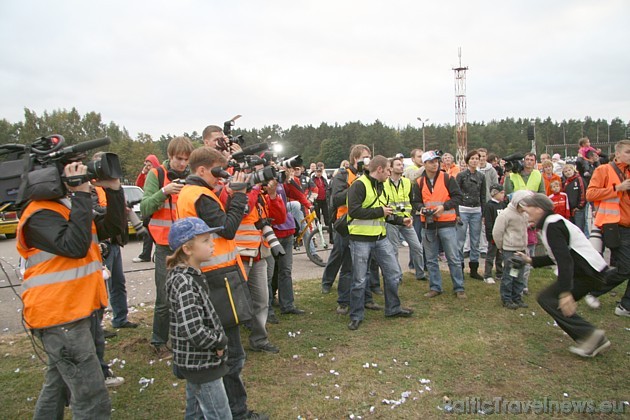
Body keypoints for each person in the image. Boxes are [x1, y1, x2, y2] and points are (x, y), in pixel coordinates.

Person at [17, 160, 126, 418]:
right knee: (91, 397)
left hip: (80, 311)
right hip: (60, 317)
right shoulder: (39, 213)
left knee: (58, 384)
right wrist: (80, 194)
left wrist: (113, 190)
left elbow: (113, 228)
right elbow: (75, 247)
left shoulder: (66, 207)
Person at [176, 147, 268, 420]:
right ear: (202, 170)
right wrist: (238, 196)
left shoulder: (193, 193)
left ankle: (200, 414)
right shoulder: (201, 195)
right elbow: (226, 229)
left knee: (219, 358)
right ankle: (237, 412)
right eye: (217, 171)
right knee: (231, 357)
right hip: (218, 279)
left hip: (215, 275)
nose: (221, 177)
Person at [518, 194, 612, 357]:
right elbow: (557, 255)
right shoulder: (552, 223)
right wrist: (531, 260)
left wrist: (566, 292)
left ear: (539, 209)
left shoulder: (552, 225)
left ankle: (592, 337)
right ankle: (591, 339)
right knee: (553, 302)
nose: (526, 213)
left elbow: (565, 260)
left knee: (549, 299)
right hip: (589, 271)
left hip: (587, 272)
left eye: (528, 209)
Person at [165, 218, 232, 420]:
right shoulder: (184, 282)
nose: (212, 243)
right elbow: (194, 329)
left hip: (195, 362)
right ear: (187, 249)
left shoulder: (191, 275)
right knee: (219, 415)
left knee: (195, 412)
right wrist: (219, 341)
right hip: (201, 363)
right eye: (205, 240)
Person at [140, 136, 194, 358]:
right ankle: (158, 341)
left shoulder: (191, 177)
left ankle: (183, 336)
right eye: (178, 159)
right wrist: (164, 192)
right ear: (169, 156)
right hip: (163, 245)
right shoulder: (156, 175)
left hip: (186, 245)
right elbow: (144, 207)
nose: (182, 164)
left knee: (188, 294)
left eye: (186, 160)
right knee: (164, 296)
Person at [346, 155, 414, 330]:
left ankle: (393, 308)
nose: (390, 173)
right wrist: (379, 212)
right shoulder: (359, 185)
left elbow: (386, 212)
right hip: (360, 239)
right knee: (359, 280)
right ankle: (356, 315)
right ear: (380, 169)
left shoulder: (382, 186)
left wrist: (401, 220)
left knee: (393, 274)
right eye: (388, 170)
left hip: (380, 237)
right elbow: (354, 211)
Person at [322, 144, 381, 314]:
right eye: (365, 157)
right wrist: (357, 186)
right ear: (356, 159)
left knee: (367, 264)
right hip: (346, 223)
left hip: (365, 224)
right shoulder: (342, 175)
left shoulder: (370, 176)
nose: (367, 160)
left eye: (369, 157)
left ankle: (367, 299)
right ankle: (343, 300)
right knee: (346, 263)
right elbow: (336, 199)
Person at [583, 139, 630, 317]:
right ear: (617, 153)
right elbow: (590, 194)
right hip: (615, 226)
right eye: (627, 152)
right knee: (625, 268)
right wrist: (617, 187)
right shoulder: (604, 170)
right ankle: (593, 289)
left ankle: (626, 306)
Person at [413, 150, 466, 299]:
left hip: (447, 223)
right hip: (428, 224)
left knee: (453, 258)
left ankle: (459, 287)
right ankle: (435, 287)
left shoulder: (448, 178)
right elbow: (415, 202)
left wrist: (444, 207)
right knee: (430, 259)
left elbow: (458, 197)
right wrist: (422, 209)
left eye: (436, 161)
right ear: (424, 164)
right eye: (431, 162)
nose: (435, 164)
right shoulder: (419, 182)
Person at [263, 180, 303, 325]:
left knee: (285, 270)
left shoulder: (284, 183)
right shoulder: (260, 188)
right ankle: (267, 310)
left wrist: (290, 179)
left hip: (287, 231)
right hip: (272, 233)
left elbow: (299, 193)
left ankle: (287, 305)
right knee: (267, 274)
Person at [384, 156, 426, 280]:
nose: (401, 166)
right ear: (390, 168)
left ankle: (420, 273)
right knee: (394, 249)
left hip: (406, 220)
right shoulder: (384, 183)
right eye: (398, 165)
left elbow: (411, 201)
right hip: (391, 221)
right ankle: (397, 275)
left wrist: (411, 216)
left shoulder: (406, 182)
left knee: (417, 247)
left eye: (402, 165)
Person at [492, 190, 532, 309]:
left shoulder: (524, 215)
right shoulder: (506, 214)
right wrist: (500, 246)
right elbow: (497, 232)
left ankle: (517, 297)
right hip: (509, 249)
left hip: (521, 249)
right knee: (509, 275)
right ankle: (506, 299)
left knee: (519, 275)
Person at [456, 149, 486, 280]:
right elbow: (456, 195)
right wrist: (456, 212)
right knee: (460, 240)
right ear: (468, 161)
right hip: (463, 209)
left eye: (476, 159)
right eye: (472, 159)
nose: (474, 161)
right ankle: (459, 267)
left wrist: (484, 213)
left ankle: (474, 268)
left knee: (475, 240)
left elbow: (483, 195)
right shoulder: (461, 176)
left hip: (476, 210)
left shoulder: (481, 176)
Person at [134, 154, 160, 263]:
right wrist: (143, 173)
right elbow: (138, 185)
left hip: (154, 209)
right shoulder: (148, 175)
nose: (148, 167)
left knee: (153, 234)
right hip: (149, 207)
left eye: (149, 165)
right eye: (146, 165)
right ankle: (148, 254)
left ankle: (150, 254)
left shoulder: (158, 174)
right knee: (149, 234)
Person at [483, 184, 506, 284]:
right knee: (491, 255)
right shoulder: (489, 206)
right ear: (494, 193)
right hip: (493, 235)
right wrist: (490, 235)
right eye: (501, 193)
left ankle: (499, 273)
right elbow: (488, 222)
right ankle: (487, 275)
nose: (503, 195)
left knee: (500, 256)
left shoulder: (503, 205)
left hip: (502, 235)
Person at [562, 164, 588, 236]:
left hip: (578, 209)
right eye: (565, 171)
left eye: (569, 170)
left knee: (580, 229)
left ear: (573, 170)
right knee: (573, 230)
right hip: (570, 210)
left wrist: (580, 206)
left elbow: (583, 193)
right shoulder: (565, 183)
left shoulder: (579, 179)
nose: (568, 172)